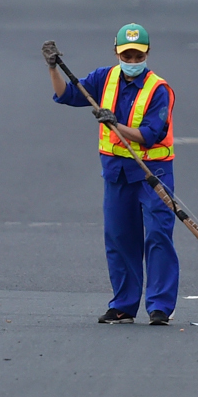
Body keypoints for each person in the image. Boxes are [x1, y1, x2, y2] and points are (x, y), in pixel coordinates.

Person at [45, 24, 179, 324]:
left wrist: (116, 125)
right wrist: (53, 68)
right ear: (117, 53)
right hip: (117, 173)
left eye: (137, 56)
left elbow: (150, 135)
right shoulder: (104, 78)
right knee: (120, 238)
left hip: (152, 173)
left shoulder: (159, 89)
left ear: (146, 54)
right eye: (126, 55)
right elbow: (67, 94)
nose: (132, 62)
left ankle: (159, 306)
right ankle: (123, 305)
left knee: (158, 235)